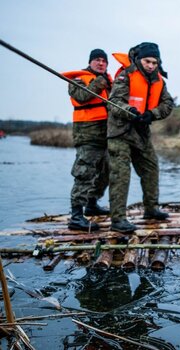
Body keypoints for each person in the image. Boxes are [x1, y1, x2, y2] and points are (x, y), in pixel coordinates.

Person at [107, 42, 174, 233]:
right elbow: (114, 103)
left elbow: (168, 104)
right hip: (120, 132)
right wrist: (130, 112)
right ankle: (118, 219)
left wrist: (152, 114)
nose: (151, 65)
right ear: (139, 59)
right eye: (147, 61)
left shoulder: (160, 81)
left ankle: (151, 209)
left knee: (151, 168)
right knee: (121, 175)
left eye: (155, 62)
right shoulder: (126, 75)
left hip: (141, 133)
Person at [63, 49, 112, 231]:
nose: (101, 63)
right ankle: (76, 217)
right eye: (97, 60)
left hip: (106, 136)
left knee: (104, 172)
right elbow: (81, 97)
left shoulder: (109, 82)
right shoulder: (77, 79)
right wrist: (99, 82)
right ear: (90, 62)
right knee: (84, 174)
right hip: (87, 136)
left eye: (104, 61)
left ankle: (92, 204)